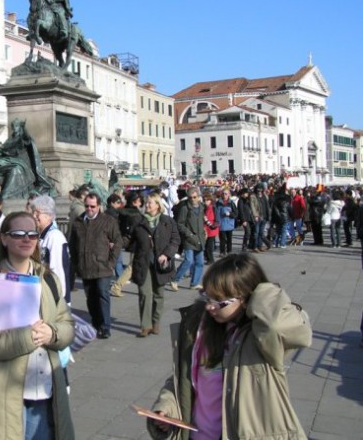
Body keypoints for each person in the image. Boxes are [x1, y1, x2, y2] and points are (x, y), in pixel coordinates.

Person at [147, 253, 312, 440]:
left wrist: (263, 290)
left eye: (218, 300)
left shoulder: (261, 338)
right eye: (207, 296)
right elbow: (183, 379)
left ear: (246, 298)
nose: (210, 306)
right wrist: (166, 408)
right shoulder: (200, 328)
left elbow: (279, 325)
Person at [0, 211, 75, 439]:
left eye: (33, 234)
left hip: (46, 391)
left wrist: (53, 333)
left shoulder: (49, 279)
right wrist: (28, 337)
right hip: (3, 392)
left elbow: (67, 324)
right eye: (18, 234)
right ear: (4, 238)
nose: (27, 239)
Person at [69, 193, 122, 339]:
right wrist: (76, 261)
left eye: (92, 206)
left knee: (103, 294)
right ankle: (96, 323)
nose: (89, 209)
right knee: (91, 297)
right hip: (85, 266)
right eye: (87, 206)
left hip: (102, 266)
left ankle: (105, 326)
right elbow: (72, 244)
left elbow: (117, 242)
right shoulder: (78, 222)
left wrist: (111, 262)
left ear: (98, 206)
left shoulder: (108, 221)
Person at [131, 192, 180, 337]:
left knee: (159, 294)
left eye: (150, 203)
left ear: (158, 205)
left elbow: (175, 239)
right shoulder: (138, 221)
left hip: (161, 264)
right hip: (143, 262)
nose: (147, 205)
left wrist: (167, 254)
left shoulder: (167, 221)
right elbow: (130, 240)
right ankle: (145, 326)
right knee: (145, 294)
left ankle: (156, 322)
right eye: (146, 203)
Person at [31, 195, 71, 303]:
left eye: (37, 213)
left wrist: (58, 300)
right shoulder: (43, 236)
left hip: (54, 298)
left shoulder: (55, 237)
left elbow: (57, 270)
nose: (34, 216)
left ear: (48, 215)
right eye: (34, 213)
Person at [170, 187, 206, 291]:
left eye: (194, 197)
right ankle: (175, 279)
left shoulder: (202, 207)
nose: (192, 199)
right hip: (188, 238)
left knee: (199, 262)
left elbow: (202, 221)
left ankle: (194, 283)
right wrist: (188, 234)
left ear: (199, 197)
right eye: (190, 197)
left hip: (200, 237)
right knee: (189, 260)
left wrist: (204, 231)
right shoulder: (185, 208)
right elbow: (180, 224)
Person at [215, 187, 237, 257]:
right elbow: (216, 213)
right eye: (223, 194)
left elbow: (236, 214)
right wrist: (217, 222)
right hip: (221, 223)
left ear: (229, 195)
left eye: (226, 194)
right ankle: (222, 252)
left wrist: (230, 214)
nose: (224, 195)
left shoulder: (231, 203)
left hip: (229, 223)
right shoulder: (218, 203)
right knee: (222, 239)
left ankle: (229, 251)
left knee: (229, 239)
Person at [271, 184, 292, 249]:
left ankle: (275, 243)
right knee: (283, 231)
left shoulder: (275, 201)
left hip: (277, 218)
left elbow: (273, 210)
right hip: (285, 218)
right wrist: (292, 216)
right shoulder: (287, 202)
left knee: (277, 230)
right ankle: (282, 244)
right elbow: (290, 210)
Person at [202, 192, 219, 264]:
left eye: (207, 200)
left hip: (211, 229)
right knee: (206, 245)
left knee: (209, 246)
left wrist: (206, 220)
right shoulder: (205, 208)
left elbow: (213, 219)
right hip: (206, 229)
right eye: (205, 200)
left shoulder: (213, 208)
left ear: (210, 200)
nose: (206, 201)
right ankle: (208, 258)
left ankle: (210, 259)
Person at [236, 188, 254, 253]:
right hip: (245, 219)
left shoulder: (247, 200)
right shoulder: (240, 201)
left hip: (250, 218)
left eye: (247, 193)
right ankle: (244, 246)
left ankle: (250, 244)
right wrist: (243, 220)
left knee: (251, 232)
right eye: (245, 193)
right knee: (247, 232)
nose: (246, 194)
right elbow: (240, 211)